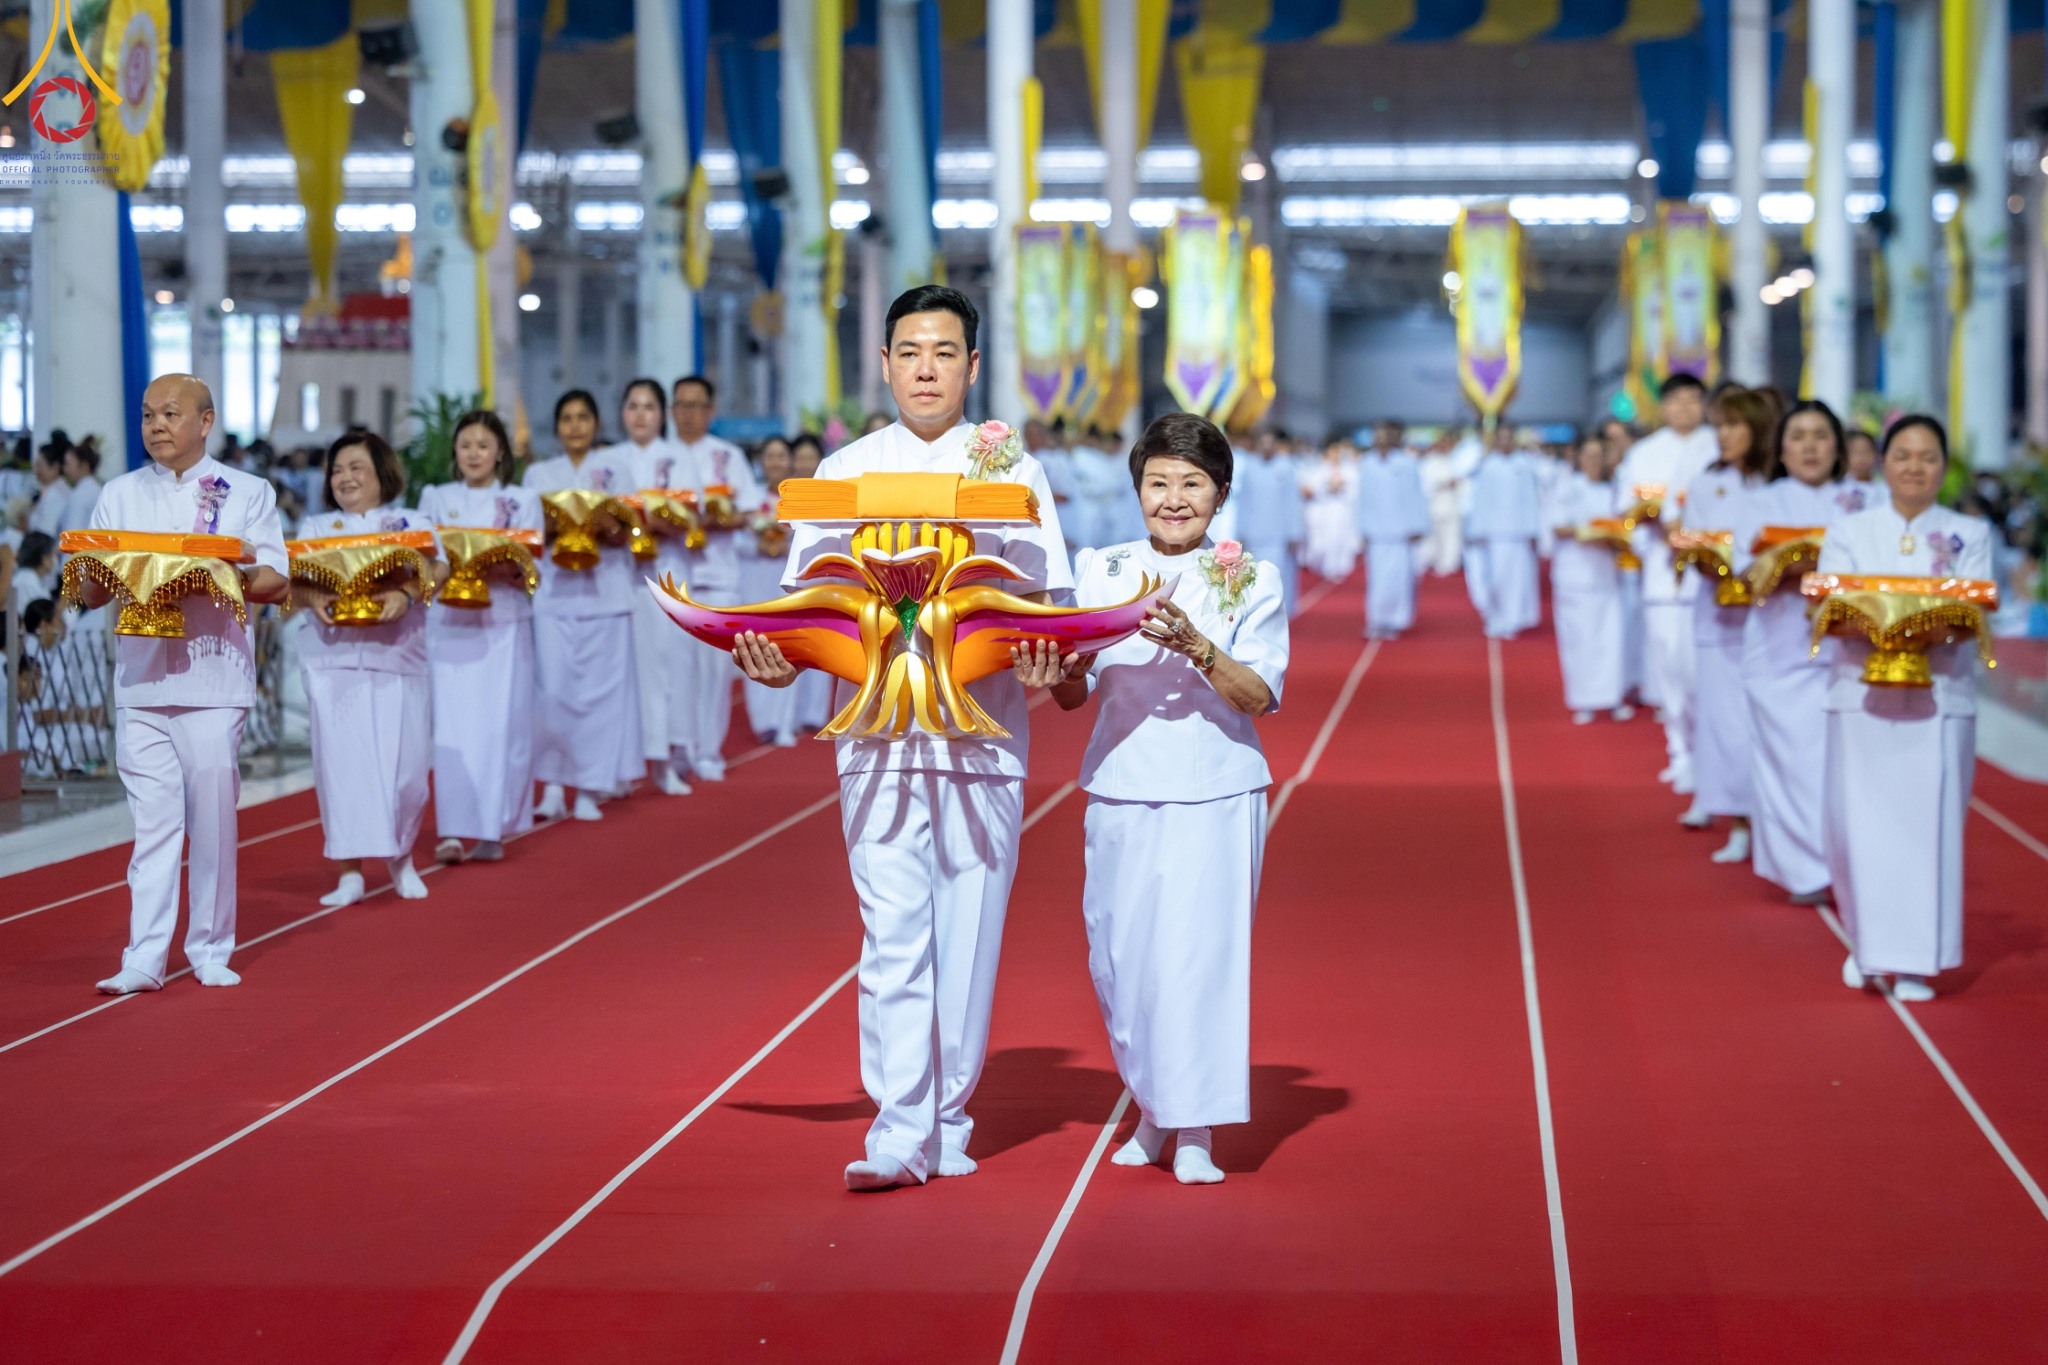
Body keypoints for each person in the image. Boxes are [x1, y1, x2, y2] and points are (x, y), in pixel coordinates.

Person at [733, 284, 1072, 1190]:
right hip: (877, 732)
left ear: (971, 365)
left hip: (984, 733)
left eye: (945, 352)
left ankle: (950, 1115)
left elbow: (1050, 600)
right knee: (890, 931)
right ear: (883, 364)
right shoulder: (842, 471)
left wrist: (1049, 653)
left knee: (969, 932)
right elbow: (803, 603)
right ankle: (896, 1126)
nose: (927, 368)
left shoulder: (1013, 470)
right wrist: (778, 657)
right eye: (910, 351)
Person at [1024, 411, 1286, 1186]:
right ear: (1138, 489)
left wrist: (1199, 648)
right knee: (1120, 958)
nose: (1174, 499)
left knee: (1198, 960)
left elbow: (1261, 695)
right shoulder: (1101, 569)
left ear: (1221, 493)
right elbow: (1075, 694)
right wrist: (1053, 668)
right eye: (1159, 483)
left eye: (1192, 485)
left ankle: (1196, 1127)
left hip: (1216, 787)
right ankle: (1151, 1104)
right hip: (1121, 783)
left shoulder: (1251, 576)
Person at [79, 376, 290, 994]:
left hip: (214, 678)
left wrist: (219, 571)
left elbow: (277, 579)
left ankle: (210, 946)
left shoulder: (247, 491)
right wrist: (107, 573)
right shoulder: (118, 495)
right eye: (148, 415)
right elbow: (89, 590)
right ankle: (144, 956)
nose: (157, 426)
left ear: (206, 421)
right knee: (153, 824)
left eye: (171, 413)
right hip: (141, 681)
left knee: (213, 820)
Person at [1820, 416, 1991, 1001]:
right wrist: (1888, 625)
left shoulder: (1971, 532)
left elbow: (1974, 614)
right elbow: (1828, 606)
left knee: (1929, 831)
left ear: (1943, 466)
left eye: (1927, 457)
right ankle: (1868, 946)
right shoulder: (1848, 529)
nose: (1914, 467)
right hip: (1858, 694)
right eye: (1903, 456)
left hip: (1941, 698)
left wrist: (1922, 630)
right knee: (1856, 827)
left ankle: (1918, 961)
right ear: (1883, 463)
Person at [295, 430, 443, 908]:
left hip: (397, 655)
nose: (345, 478)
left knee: (406, 770)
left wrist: (405, 594)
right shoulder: (315, 529)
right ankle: (349, 871)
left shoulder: (411, 522)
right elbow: (293, 584)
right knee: (342, 768)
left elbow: (438, 570)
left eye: (356, 467)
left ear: (382, 472)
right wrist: (311, 596)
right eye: (337, 470)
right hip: (333, 658)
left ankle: (401, 857)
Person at [1736, 399, 1873, 905]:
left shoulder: (1866, 499)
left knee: (1848, 764)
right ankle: (1806, 870)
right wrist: (1792, 563)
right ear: (1781, 448)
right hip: (1778, 650)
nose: (1810, 446)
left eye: (1821, 435)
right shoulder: (1760, 502)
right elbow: (1745, 577)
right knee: (1791, 760)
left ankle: (1852, 861)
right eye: (1798, 436)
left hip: (1853, 651)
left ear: (1838, 446)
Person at [419, 410, 543, 865]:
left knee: (498, 728)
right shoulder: (435, 498)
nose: (474, 453)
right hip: (448, 626)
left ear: (500, 454)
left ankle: (492, 829)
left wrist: (498, 563)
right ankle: (452, 830)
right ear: (455, 450)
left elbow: (533, 566)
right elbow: (425, 558)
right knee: (451, 730)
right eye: (466, 444)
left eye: (483, 445)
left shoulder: (522, 500)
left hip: (503, 625)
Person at [524, 389, 644, 823]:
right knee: (553, 694)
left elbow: (633, 532)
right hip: (555, 596)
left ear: (595, 424)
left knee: (601, 698)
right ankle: (554, 785)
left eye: (583, 417)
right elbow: (527, 534)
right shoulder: (539, 474)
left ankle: (591, 787)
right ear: (557, 426)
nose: (575, 425)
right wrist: (559, 527)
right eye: (566, 418)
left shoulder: (617, 470)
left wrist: (607, 524)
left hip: (606, 593)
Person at [1613, 373, 1719, 793]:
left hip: (1712, 580)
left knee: (1703, 674)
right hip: (1662, 573)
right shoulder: (1643, 453)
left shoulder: (1717, 446)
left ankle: (1710, 754)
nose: (1685, 409)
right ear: (1664, 406)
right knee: (1670, 668)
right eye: (1676, 401)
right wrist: (1650, 534)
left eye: (1694, 400)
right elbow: (1625, 513)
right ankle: (1680, 751)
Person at [1676, 388, 1770, 859]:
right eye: (1722, 426)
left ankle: (1772, 818)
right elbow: (1690, 543)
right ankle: (1738, 820)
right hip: (1718, 616)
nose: (1726, 435)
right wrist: (1709, 563)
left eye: (1736, 425)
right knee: (1726, 724)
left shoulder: (1775, 485)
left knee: (1765, 723)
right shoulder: (1705, 482)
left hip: (1772, 621)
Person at [668, 375, 764, 782]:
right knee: (674, 668)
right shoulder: (661, 457)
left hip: (719, 575)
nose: (688, 414)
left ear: (711, 411)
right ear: (672, 411)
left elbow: (749, 509)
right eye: (681, 406)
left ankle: (707, 750)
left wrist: (717, 517)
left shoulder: (728, 456)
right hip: (674, 576)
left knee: (712, 671)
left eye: (696, 406)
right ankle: (676, 747)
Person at [608, 377, 696, 797]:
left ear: (661, 415)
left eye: (648, 407)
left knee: (666, 666)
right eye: (632, 405)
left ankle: (665, 760)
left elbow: (693, 519)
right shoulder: (607, 459)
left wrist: (653, 519)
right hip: (617, 575)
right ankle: (620, 765)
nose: (640, 415)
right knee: (622, 672)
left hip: (667, 575)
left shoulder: (678, 459)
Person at [1550, 435, 1630, 723]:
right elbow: (1558, 527)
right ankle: (1584, 699)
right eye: (1589, 456)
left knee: (1611, 638)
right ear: (1579, 458)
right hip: (1575, 575)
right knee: (1580, 640)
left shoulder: (1614, 489)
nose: (1594, 462)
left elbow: (1625, 528)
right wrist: (1588, 531)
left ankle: (1612, 697)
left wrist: (1614, 536)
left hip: (1606, 574)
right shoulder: (1567, 487)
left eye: (1600, 456)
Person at [1465, 428, 1544, 639]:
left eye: (1508, 438)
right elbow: (1480, 500)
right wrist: (1477, 529)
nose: (1505, 442)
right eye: (1501, 438)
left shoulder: (1524, 465)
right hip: (1493, 534)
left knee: (1517, 581)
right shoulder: (1488, 465)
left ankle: (1513, 619)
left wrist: (1533, 530)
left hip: (1519, 534)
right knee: (1495, 579)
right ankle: (1496, 617)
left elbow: (1531, 500)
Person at [1354, 421, 1430, 638]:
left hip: (1401, 532)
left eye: (1387, 435)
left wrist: (1418, 525)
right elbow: (1362, 499)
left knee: (1399, 579)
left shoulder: (1406, 464)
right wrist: (1362, 528)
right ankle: (1377, 620)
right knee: (1377, 580)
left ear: (1395, 438)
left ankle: (1396, 620)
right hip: (1376, 532)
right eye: (1378, 435)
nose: (1382, 440)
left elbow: (1416, 497)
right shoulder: (1367, 463)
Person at [1229, 429, 1307, 617]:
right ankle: (1257, 613)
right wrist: (1240, 532)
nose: (1266, 447)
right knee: (1255, 578)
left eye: (1270, 443)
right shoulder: (1250, 467)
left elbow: (1293, 502)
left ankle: (1281, 612)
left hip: (1279, 535)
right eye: (1262, 443)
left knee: (1278, 576)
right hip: (1254, 534)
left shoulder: (1286, 467)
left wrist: (1294, 533)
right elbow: (1244, 502)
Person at [1301, 437, 1359, 580]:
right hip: (1323, 510)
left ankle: (1338, 568)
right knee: (1321, 542)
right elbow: (1309, 490)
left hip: (1341, 510)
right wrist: (1327, 487)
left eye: (1337, 452)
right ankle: (1323, 567)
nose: (1335, 455)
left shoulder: (1349, 469)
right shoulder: (1318, 469)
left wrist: (1341, 487)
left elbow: (1355, 491)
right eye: (1332, 451)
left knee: (1339, 539)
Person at [1417, 432, 1466, 577]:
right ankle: (1435, 561)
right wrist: (1444, 483)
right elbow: (1424, 485)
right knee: (1434, 537)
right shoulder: (1428, 463)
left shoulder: (1454, 461)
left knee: (1452, 536)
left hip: (1452, 505)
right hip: (1434, 505)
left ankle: (1450, 563)